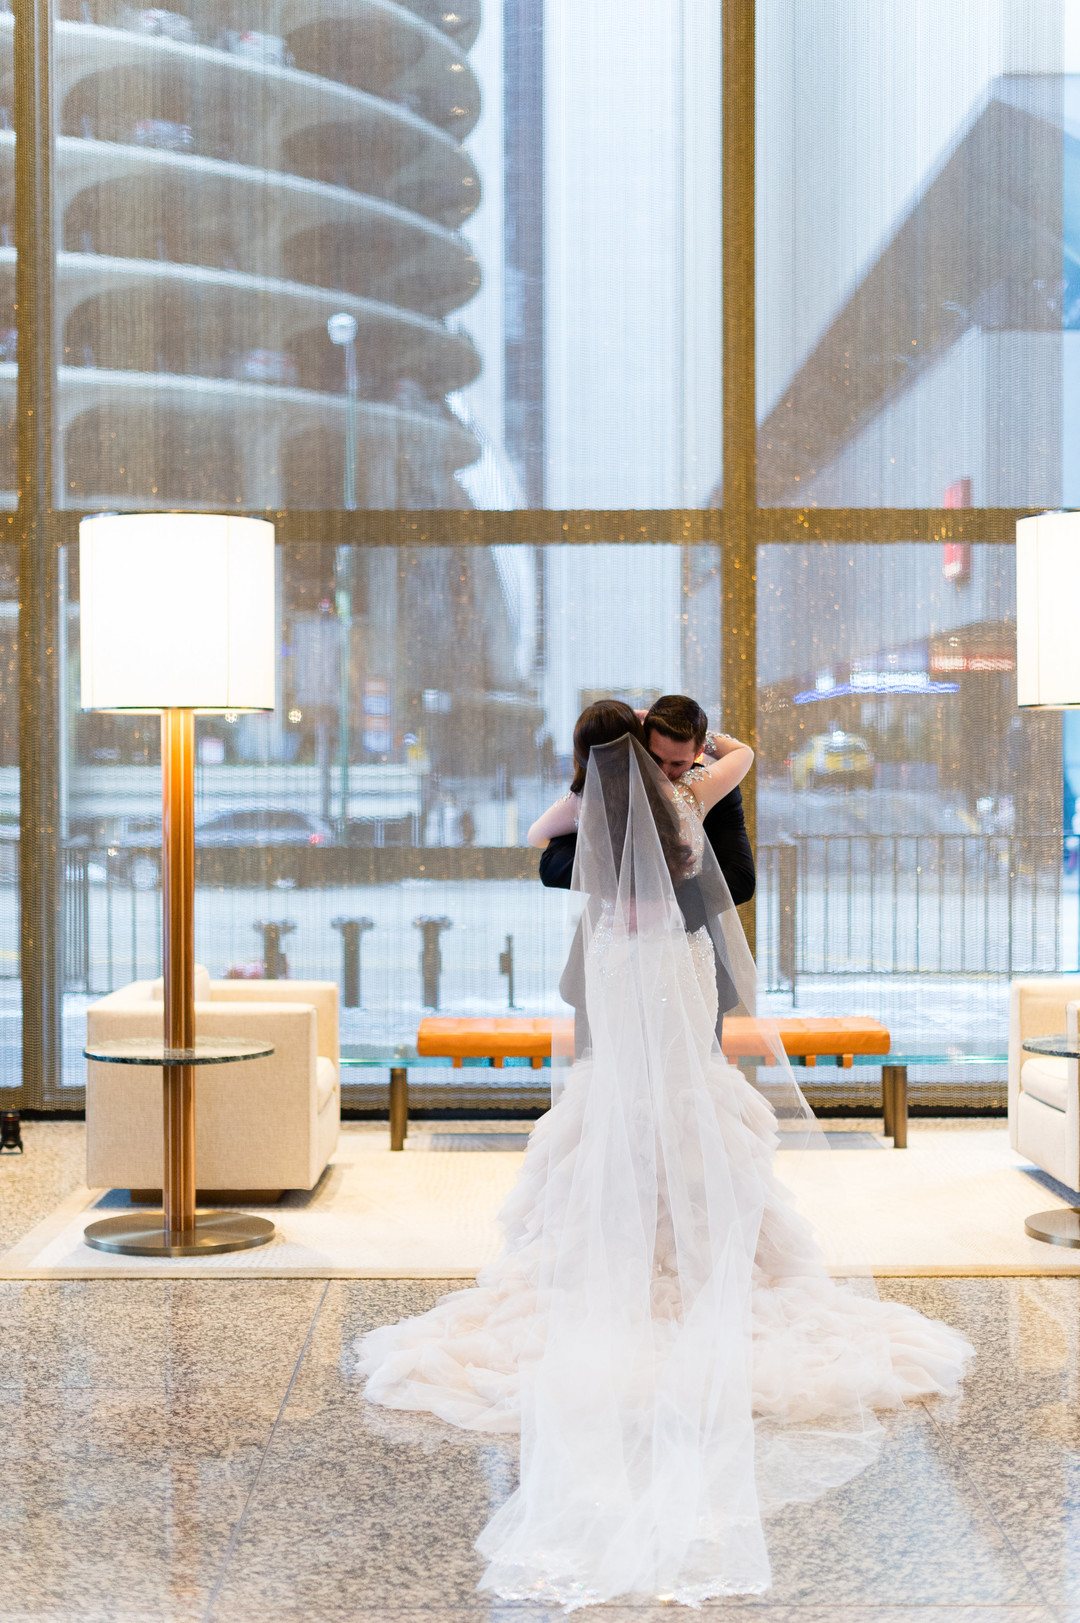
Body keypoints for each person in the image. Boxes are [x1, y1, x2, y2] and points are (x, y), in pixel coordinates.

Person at [357, 733, 972, 1609]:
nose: (685, 770)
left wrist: (692, 810)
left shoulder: (699, 797)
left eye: (691, 760)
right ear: (654, 750)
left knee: (680, 1126)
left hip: (680, 981)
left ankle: (695, 1254)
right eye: (674, 760)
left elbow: (740, 881)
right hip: (613, 978)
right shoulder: (628, 789)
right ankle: (625, 1249)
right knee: (618, 1125)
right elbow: (554, 864)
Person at [534, 695, 755, 903]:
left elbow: (536, 835)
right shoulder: (696, 788)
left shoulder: (590, 800)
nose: (664, 772)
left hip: (655, 929)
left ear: (698, 751)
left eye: (678, 763)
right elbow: (744, 752)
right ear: (638, 746)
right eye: (655, 758)